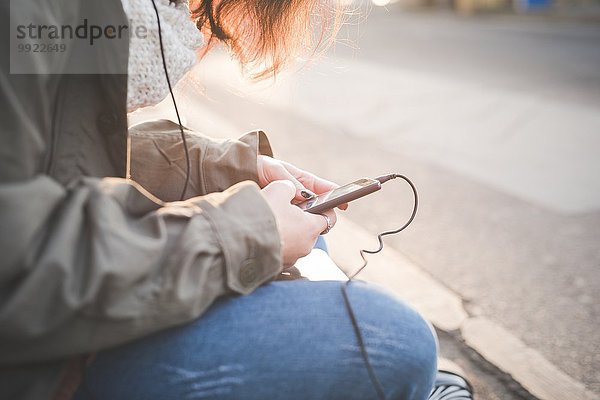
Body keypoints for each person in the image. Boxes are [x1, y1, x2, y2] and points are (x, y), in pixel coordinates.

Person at [0, 0, 472, 399]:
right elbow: (17, 268)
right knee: (394, 340)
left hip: (64, 331)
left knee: (306, 240)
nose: (192, 23)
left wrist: (224, 172)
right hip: (37, 370)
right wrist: (245, 234)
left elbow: (59, 156)